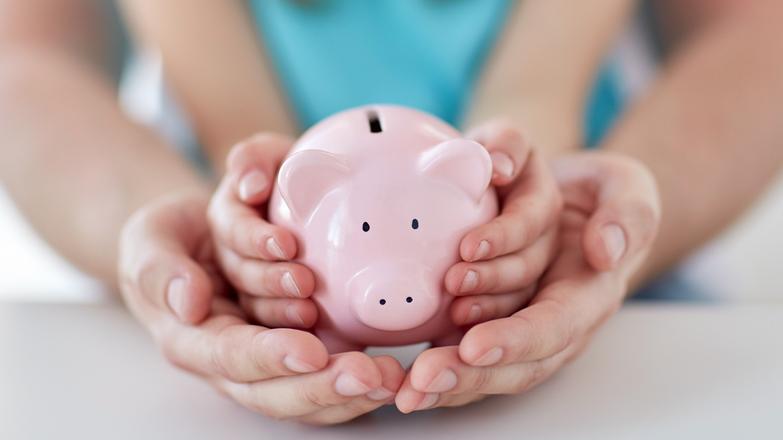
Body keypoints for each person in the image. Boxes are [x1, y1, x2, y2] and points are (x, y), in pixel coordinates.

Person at [0, 0, 780, 425]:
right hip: (214, 317)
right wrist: (160, 230)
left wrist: (616, 226)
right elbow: (28, 60)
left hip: (611, 300)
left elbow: (756, 35)